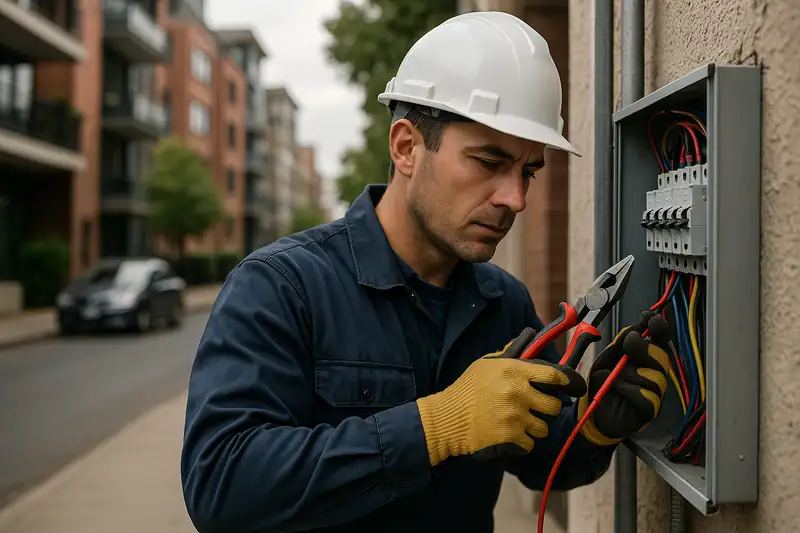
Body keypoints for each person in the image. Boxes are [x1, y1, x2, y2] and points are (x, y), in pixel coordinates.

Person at [180, 11, 671, 533]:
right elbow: (221, 485)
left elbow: (539, 459)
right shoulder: (282, 286)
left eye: (528, 170)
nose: (516, 198)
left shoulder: (504, 304)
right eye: (488, 162)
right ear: (407, 147)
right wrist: (437, 426)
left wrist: (593, 430)